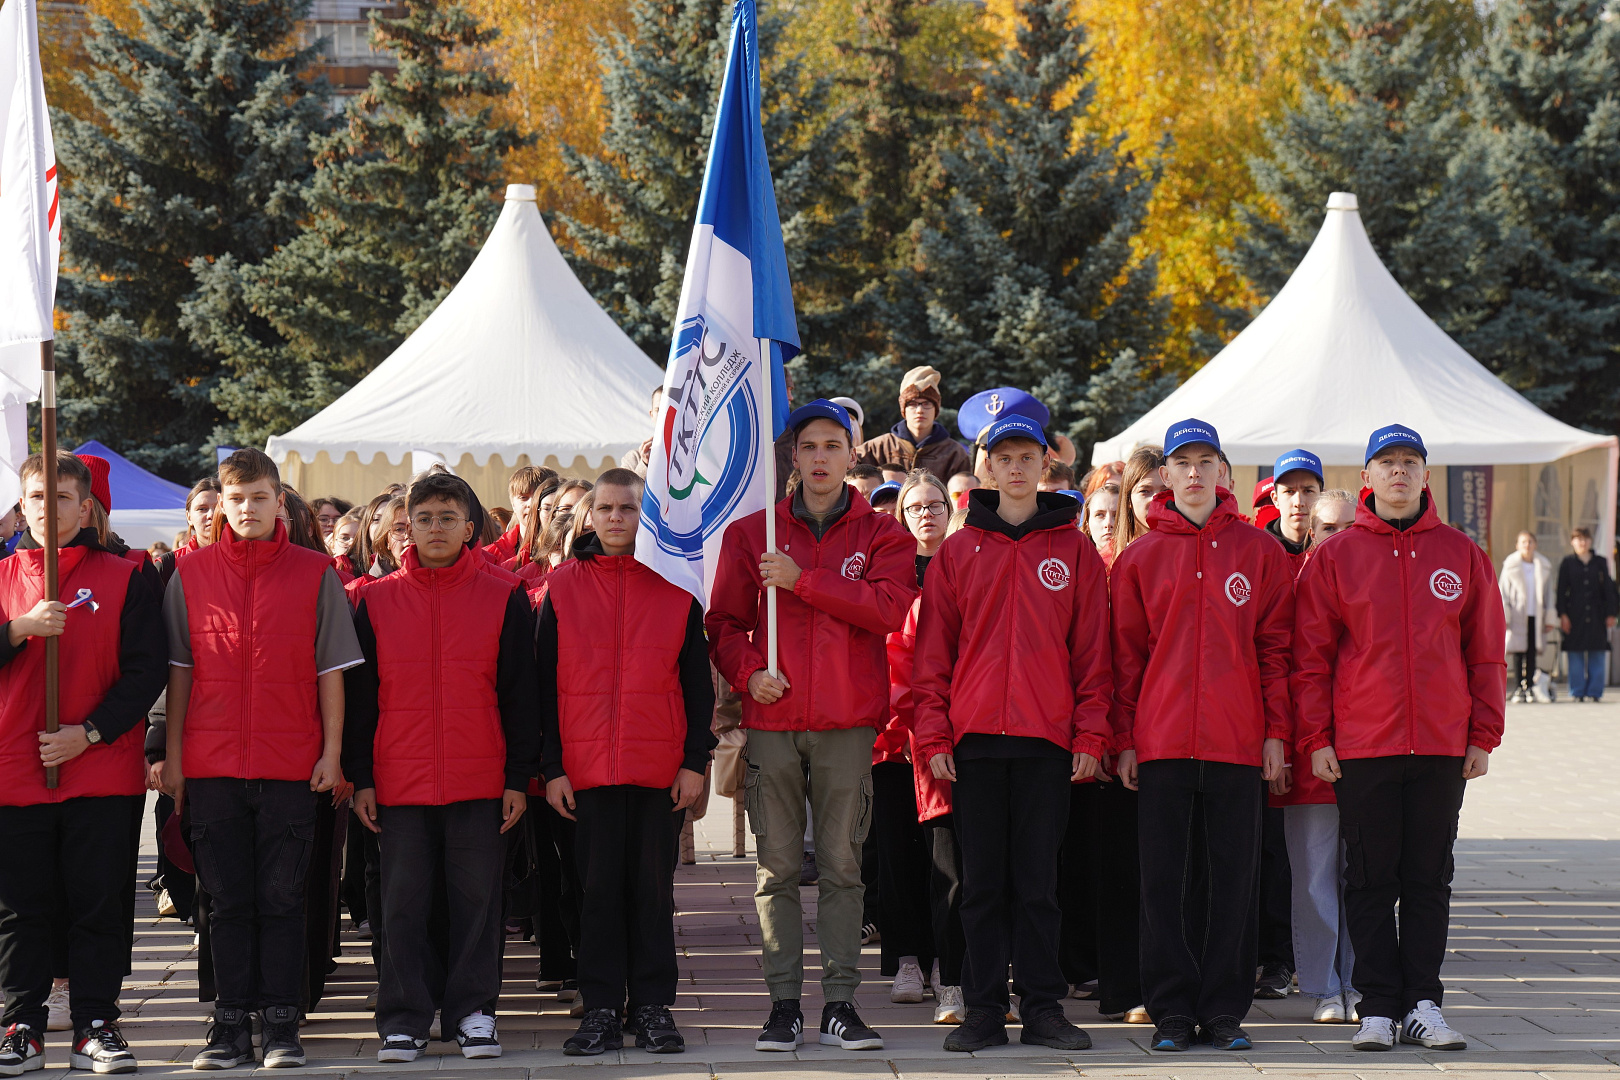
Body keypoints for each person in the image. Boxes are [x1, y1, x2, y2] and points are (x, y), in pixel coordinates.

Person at [707, 398, 917, 1053]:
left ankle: (841, 1004)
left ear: (852, 455)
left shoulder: (884, 534)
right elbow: (722, 625)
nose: (821, 457)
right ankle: (782, 1005)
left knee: (841, 867)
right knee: (773, 870)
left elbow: (888, 609)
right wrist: (748, 675)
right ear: (792, 457)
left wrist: (804, 581)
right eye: (810, 446)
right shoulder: (754, 534)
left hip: (848, 725)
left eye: (833, 445)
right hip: (773, 721)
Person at [1294, 423, 1505, 1052]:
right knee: (1368, 878)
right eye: (1386, 461)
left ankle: (1422, 1003)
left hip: (1441, 744)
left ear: (1424, 475)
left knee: (1428, 879)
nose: (1398, 472)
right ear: (1367, 476)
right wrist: (1317, 736)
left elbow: (1485, 651)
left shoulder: (1461, 554)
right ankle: (1378, 1006)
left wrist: (1483, 734)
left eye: (1409, 461)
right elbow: (1311, 658)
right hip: (1365, 744)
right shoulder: (1337, 556)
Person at [912, 413, 1109, 1054]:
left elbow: (1093, 656)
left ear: (1044, 466)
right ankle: (983, 1010)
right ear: (987, 466)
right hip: (974, 744)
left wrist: (1089, 735)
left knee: (1039, 885)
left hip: (1046, 742)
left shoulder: (1076, 550)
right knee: (981, 886)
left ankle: (1045, 1008)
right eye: (1005, 457)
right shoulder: (959, 551)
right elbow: (932, 657)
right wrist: (936, 738)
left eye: (1029, 456)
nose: (1017, 467)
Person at [160, 448, 363, 1070]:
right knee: (225, 902)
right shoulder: (188, 574)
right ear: (221, 505)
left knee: (281, 899)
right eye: (237, 498)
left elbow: (332, 670)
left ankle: (281, 1025)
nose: (248, 508)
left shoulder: (314, 572)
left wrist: (332, 753)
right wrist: (173, 759)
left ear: (281, 502)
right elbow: (178, 674)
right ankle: (228, 1026)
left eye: (260, 497)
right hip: (213, 766)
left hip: (291, 766)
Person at [1110, 419, 1294, 1053]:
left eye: (1204, 461)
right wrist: (1126, 738)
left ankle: (1223, 1011)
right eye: (1181, 462)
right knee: (1163, 881)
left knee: (1231, 879)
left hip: (1237, 742)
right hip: (1159, 743)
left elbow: (1275, 650)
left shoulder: (1259, 552)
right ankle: (1171, 1012)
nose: (1192, 473)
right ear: (1164, 475)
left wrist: (1276, 732)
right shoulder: (1139, 558)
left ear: (1223, 473)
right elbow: (1124, 658)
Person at [342, 471, 539, 1063]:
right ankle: (403, 1018)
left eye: (447, 518)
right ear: (406, 527)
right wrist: (363, 779)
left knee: (478, 904)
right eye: (422, 519)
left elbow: (520, 696)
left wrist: (516, 780)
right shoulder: (374, 600)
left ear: (470, 527)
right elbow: (359, 700)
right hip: (397, 784)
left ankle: (474, 1013)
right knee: (401, 904)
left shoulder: (503, 596)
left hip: (480, 781)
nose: (434, 529)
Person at [0, 452, 167, 1076]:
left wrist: (89, 733)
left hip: (98, 767)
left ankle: (96, 1023)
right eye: (38, 497)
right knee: (20, 907)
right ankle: (23, 1024)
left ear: (86, 505)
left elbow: (146, 669)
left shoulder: (126, 575)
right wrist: (18, 628)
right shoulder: (2, 577)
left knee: (99, 900)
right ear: (23, 504)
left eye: (63, 497)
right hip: (14, 767)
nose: (49, 509)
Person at [538, 469, 715, 1056]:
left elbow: (696, 685)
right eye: (607, 508)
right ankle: (602, 1009)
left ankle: (653, 1007)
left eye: (630, 508)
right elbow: (541, 687)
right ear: (590, 516)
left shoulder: (676, 586)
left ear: (649, 514)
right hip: (585, 775)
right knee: (596, 893)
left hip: (657, 770)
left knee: (650, 891)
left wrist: (695, 761)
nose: (617, 518)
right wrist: (554, 767)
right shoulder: (560, 588)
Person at [870, 472, 952, 1012]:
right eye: (914, 506)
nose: (925, 514)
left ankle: (949, 958)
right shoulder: (890, 570)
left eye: (935, 505)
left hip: (947, 730)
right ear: (901, 515)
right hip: (893, 736)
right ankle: (905, 959)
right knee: (896, 851)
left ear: (951, 512)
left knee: (947, 855)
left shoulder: (966, 563)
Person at [1557, 527, 1617, 701]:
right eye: (1578, 539)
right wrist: (1563, 614)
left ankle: (1595, 691)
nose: (1582, 543)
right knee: (1575, 652)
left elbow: (1608, 589)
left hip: (1597, 613)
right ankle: (1577, 691)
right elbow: (1561, 590)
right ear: (1572, 542)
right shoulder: (1567, 563)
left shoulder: (1600, 562)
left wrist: (1611, 613)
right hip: (1574, 613)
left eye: (1585, 539)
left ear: (1590, 541)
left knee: (1597, 651)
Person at [1500, 532, 1556, 703]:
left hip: (1536, 614)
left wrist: (1549, 618)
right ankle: (1518, 687)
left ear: (1535, 544)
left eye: (1530, 541)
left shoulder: (1543, 566)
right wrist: (1505, 615)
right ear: (1517, 545)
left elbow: (1549, 595)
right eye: (1523, 542)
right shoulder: (1510, 566)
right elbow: (1503, 592)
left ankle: (1530, 686)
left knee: (1532, 652)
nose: (1527, 545)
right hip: (1517, 614)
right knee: (1517, 652)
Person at [1115, 446, 1165, 551]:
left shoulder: (1193, 550)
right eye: (1145, 491)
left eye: (1165, 491)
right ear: (1128, 499)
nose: (1155, 499)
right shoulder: (1108, 560)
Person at [621, 387, 665, 477]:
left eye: (669, 409)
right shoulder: (633, 458)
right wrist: (645, 464)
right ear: (652, 415)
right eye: (659, 410)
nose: (664, 415)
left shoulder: (695, 456)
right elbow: (627, 491)